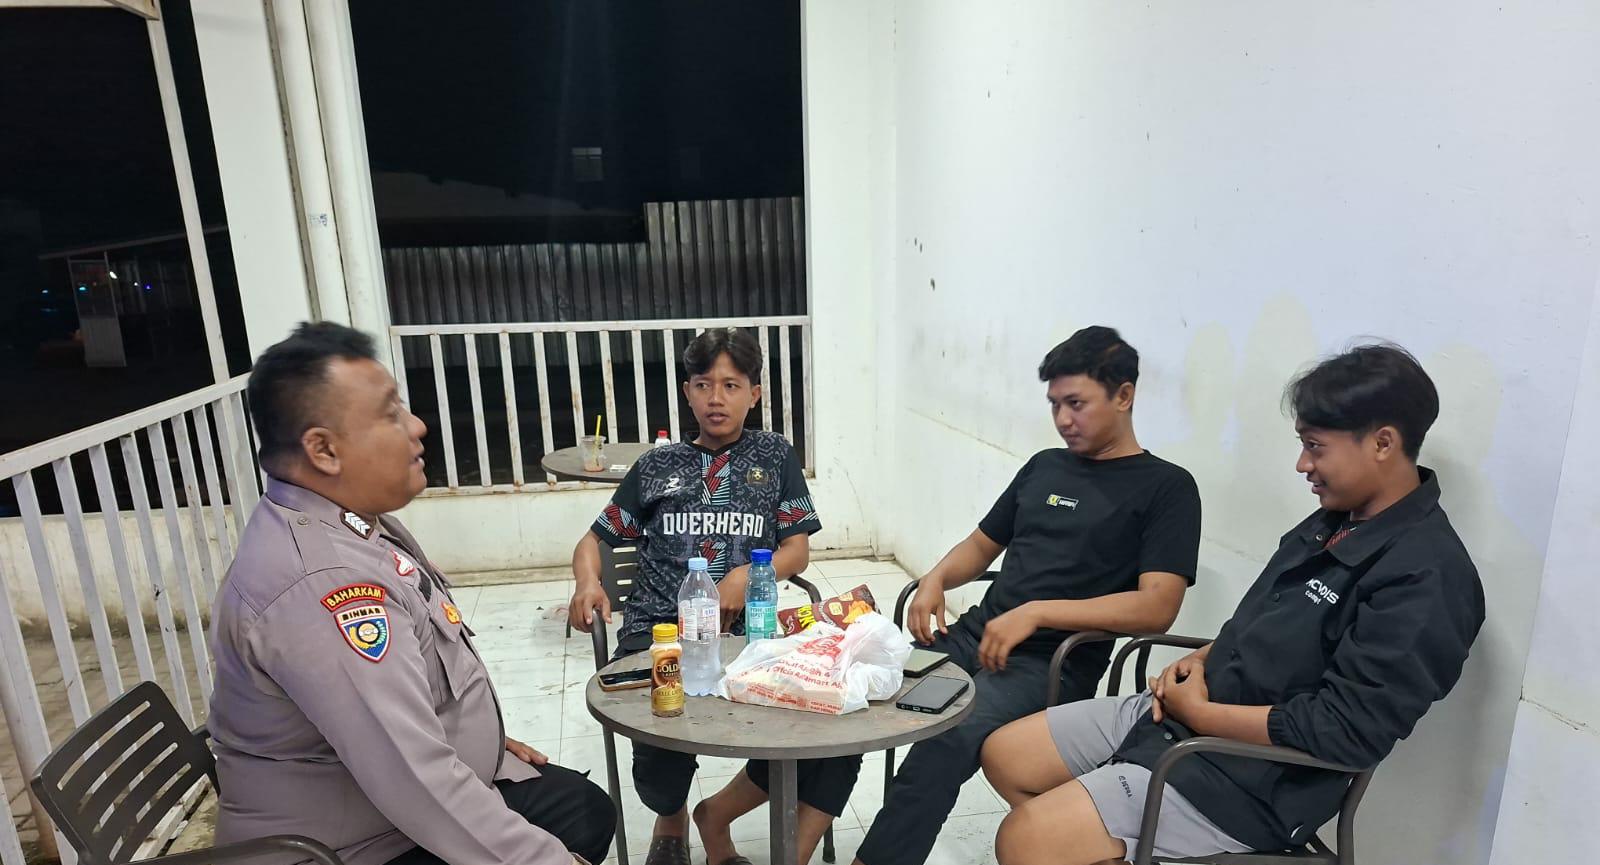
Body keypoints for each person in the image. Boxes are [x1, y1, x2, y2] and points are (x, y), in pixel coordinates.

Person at [981, 344, 1485, 865]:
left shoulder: (1427, 577)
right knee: (1004, 755)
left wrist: (1201, 713)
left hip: (1246, 780)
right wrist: (1201, 660)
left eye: (1315, 447)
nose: (1303, 465)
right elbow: (1267, 626)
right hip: (1186, 718)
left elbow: (1344, 733)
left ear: (1382, 443)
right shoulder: (1335, 521)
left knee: (1025, 840)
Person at [208, 322, 613, 865]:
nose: (418, 425)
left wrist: (480, 744)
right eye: (390, 413)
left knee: (582, 809)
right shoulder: (325, 585)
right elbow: (418, 785)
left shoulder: (352, 525)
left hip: (380, 812)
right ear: (323, 449)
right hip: (354, 847)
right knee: (563, 839)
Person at [851, 326, 1202, 865]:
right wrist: (935, 579)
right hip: (975, 635)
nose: (1063, 419)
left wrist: (1036, 614)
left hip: (1053, 662)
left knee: (946, 736)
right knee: (855, 692)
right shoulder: (1045, 466)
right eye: (1055, 404)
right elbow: (980, 545)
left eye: (1076, 403)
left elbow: (1157, 606)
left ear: (1124, 395)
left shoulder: (1166, 488)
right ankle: (797, 840)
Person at [568, 327, 847, 865]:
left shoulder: (775, 455)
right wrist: (587, 581)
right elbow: (593, 540)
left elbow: (796, 551)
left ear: (754, 394)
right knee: (660, 751)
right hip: (659, 632)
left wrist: (748, 574)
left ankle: (716, 815)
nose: (716, 398)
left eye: (731, 385)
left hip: (749, 632)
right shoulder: (657, 465)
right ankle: (670, 817)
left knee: (798, 726)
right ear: (687, 392)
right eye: (703, 385)